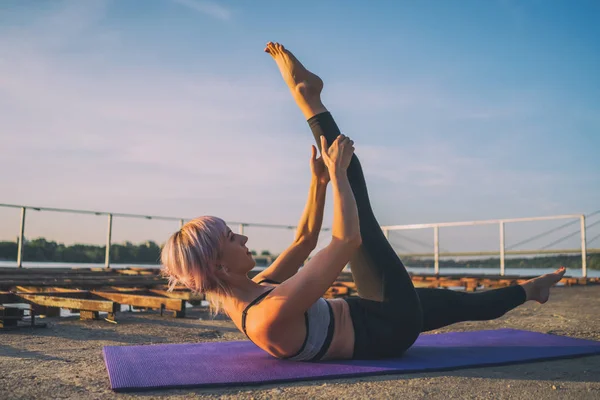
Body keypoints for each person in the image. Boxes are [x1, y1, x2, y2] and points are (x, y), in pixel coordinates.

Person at [160, 42, 567, 362]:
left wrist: (318, 183)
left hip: (370, 311)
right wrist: (338, 175)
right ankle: (309, 99)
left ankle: (532, 289)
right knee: (361, 210)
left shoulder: (253, 290)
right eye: (233, 238)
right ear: (217, 265)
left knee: (461, 303)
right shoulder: (269, 312)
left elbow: (304, 240)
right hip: (388, 326)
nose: (244, 238)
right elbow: (347, 240)